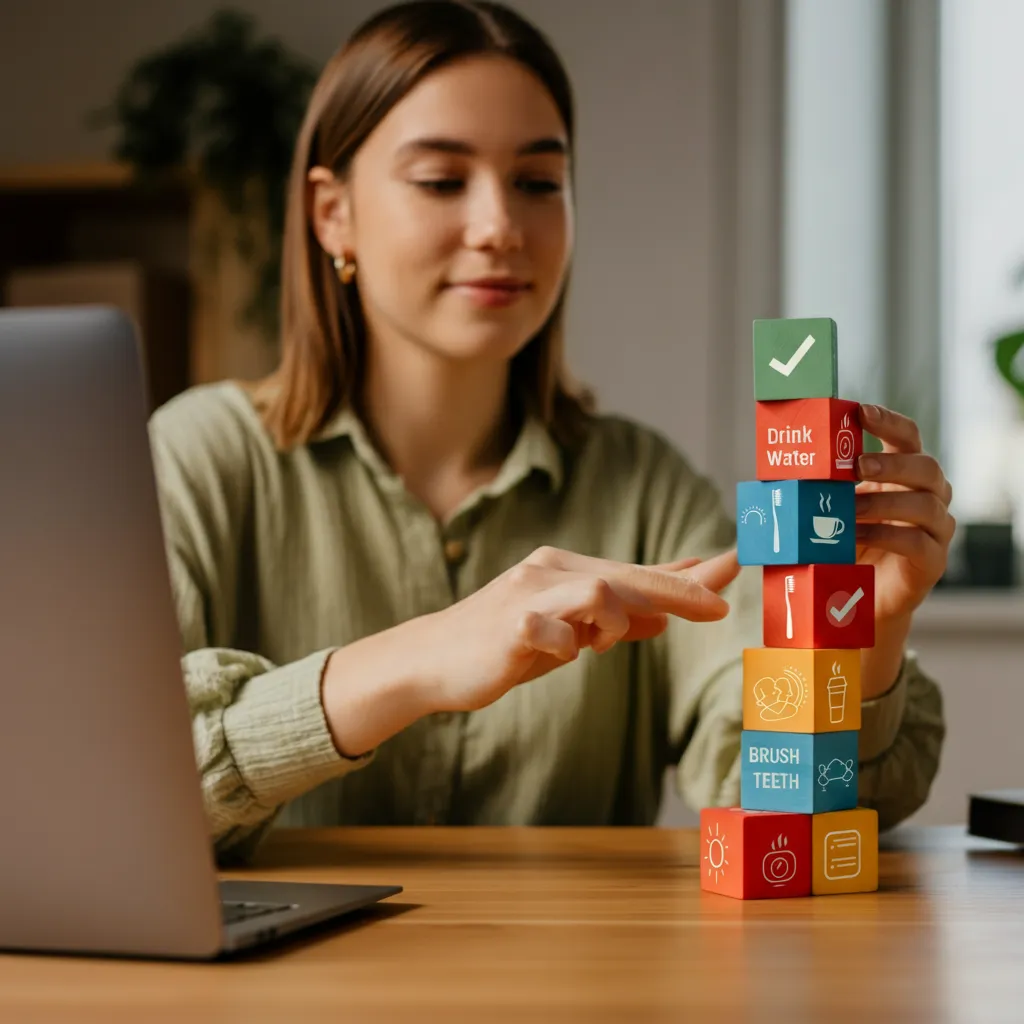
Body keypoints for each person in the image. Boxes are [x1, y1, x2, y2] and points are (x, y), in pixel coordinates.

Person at [149, 0, 952, 865]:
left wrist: (857, 636)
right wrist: (416, 659)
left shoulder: (643, 487)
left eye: (538, 182)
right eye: (441, 180)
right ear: (331, 213)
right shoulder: (199, 460)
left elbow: (786, 808)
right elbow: (122, 791)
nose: (500, 227)